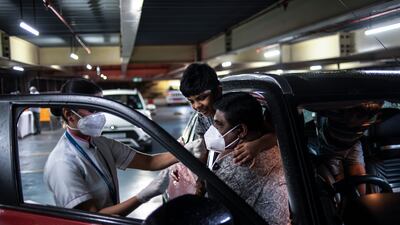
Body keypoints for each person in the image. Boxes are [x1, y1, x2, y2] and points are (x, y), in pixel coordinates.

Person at [44, 78, 178, 216]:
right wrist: (143, 195)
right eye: (92, 109)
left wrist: (186, 150)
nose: (99, 115)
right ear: (69, 115)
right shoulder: (62, 163)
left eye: (101, 108)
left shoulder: (100, 143)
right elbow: (92, 219)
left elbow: (150, 162)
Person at [205, 92, 290, 224]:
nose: (213, 130)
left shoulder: (238, 163)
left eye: (219, 125)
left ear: (241, 131)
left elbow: (208, 213)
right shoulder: (274, 149)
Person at [179, 63, 277, 168]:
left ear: (218, 91)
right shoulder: (202, 119)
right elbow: (206, 149)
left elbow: (276, 136)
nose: (197, 106)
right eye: (191, 101)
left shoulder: (237, 109)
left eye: (202, 98)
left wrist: (258, 145)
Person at [310, 101, 383, 194]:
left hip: (350, 145)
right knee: (344, 182)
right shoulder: (372, 116)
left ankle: (358, 200)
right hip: (332, 147)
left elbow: (313, 106)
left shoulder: (337, 113)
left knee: (355, 179)